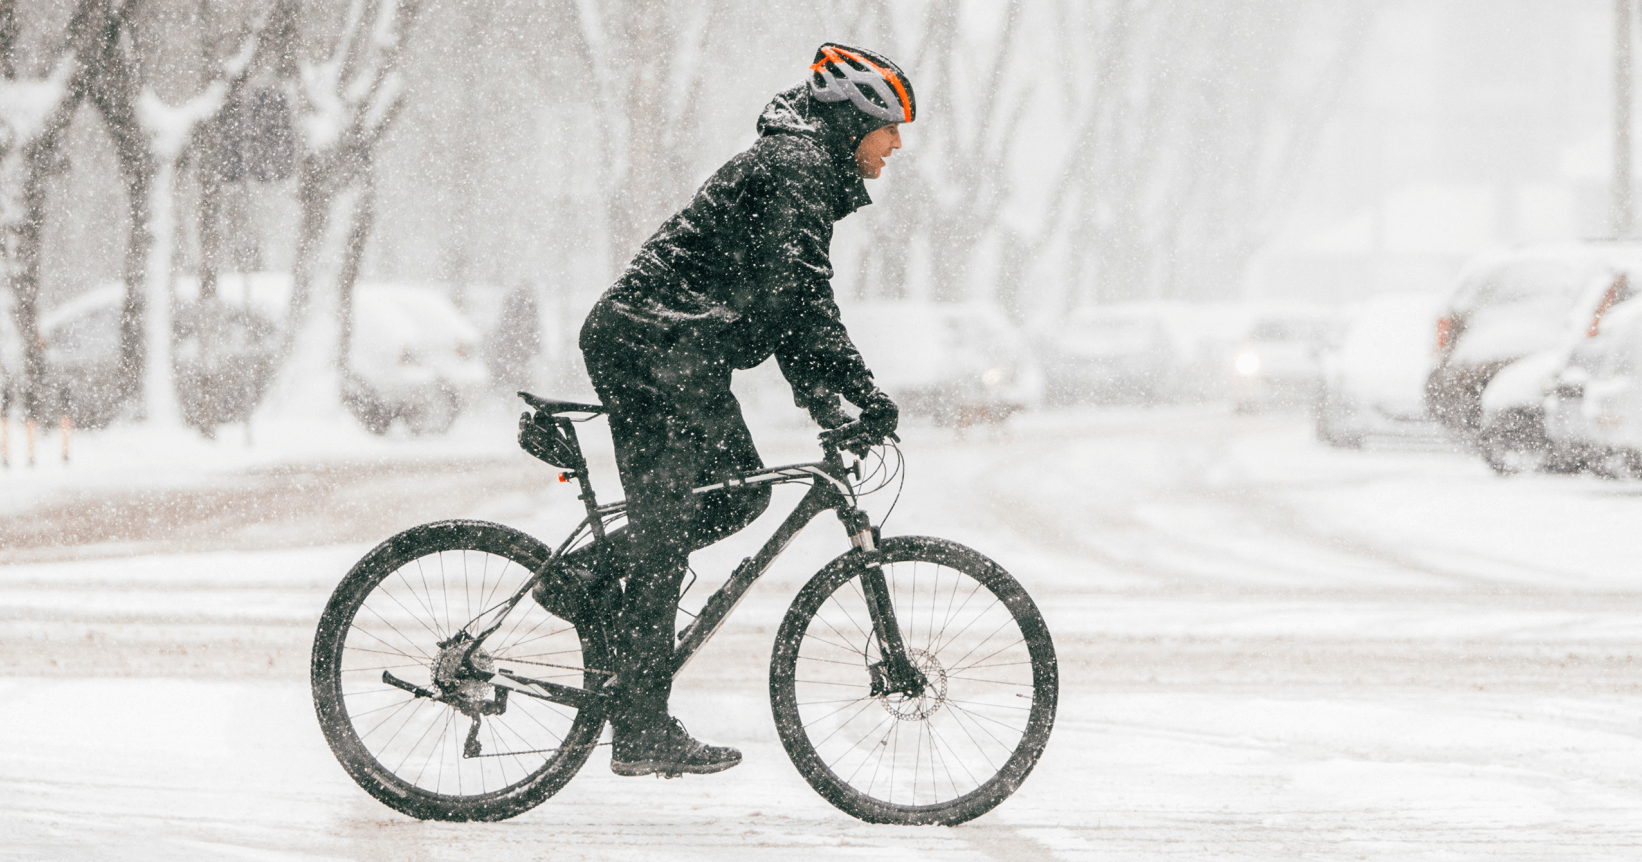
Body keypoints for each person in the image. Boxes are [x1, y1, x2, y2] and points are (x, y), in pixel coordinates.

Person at [550, 44, 915, 778]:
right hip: (654, 343)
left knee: (735, 495)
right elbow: (802, 299)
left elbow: (784, 303)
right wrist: (860, 393)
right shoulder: (796, 170)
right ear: (853, 122)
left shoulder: (802, 169)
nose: (898, 144)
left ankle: (591, 582)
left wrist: (826, 396)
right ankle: (641, 728)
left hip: (671, 344)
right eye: (890, 127)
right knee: (669, 531)